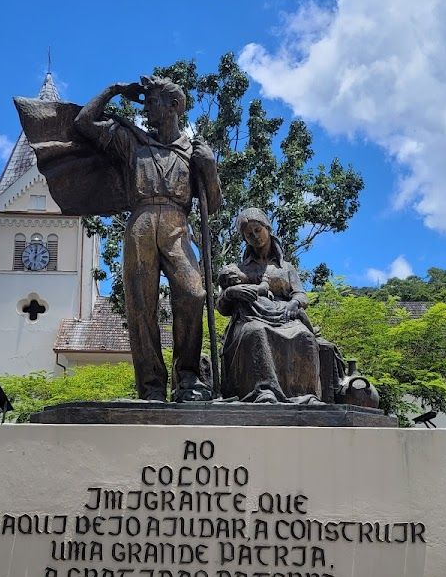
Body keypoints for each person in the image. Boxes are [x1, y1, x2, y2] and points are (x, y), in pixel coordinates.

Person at [75, 76, 222, 402]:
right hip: (140, 222)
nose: (145, 107)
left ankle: (188, 380)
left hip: (176, 223)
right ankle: (151, 387)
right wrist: (113, 89)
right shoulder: (131, 141)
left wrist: (209, 169)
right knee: (141, 307)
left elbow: (212, 206)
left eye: (151, 101)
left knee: (192, 293)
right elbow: (84, 122)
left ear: (173, 106)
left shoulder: (192, 151)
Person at [217, 208, 340, 403]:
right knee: (255, 331)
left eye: (257, 230)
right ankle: (264, 391)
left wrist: (293, 304)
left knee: (305, 336)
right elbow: (221, 307)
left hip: (285, 316)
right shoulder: (239, 269)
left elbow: (301, 294)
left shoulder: (287, 268)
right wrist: (232, 293)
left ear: (267, 227)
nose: (254, 236)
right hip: (252, 316)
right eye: (249, 235)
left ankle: (306, 395)